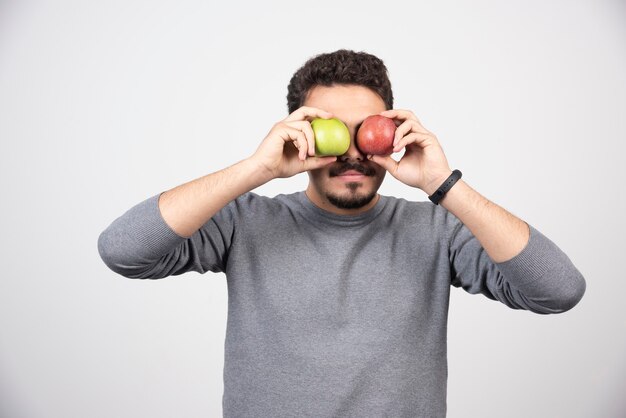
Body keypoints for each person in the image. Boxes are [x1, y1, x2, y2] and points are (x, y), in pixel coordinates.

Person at [97, 49, 586, 418]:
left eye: (366, 129)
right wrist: (256, 168)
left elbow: (559, 291)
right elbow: (122, 251)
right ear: (298, 132)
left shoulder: (438, 230)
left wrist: (443, 184)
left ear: (393, 131)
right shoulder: (243, 221)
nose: (353, 151)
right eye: (333, 129)